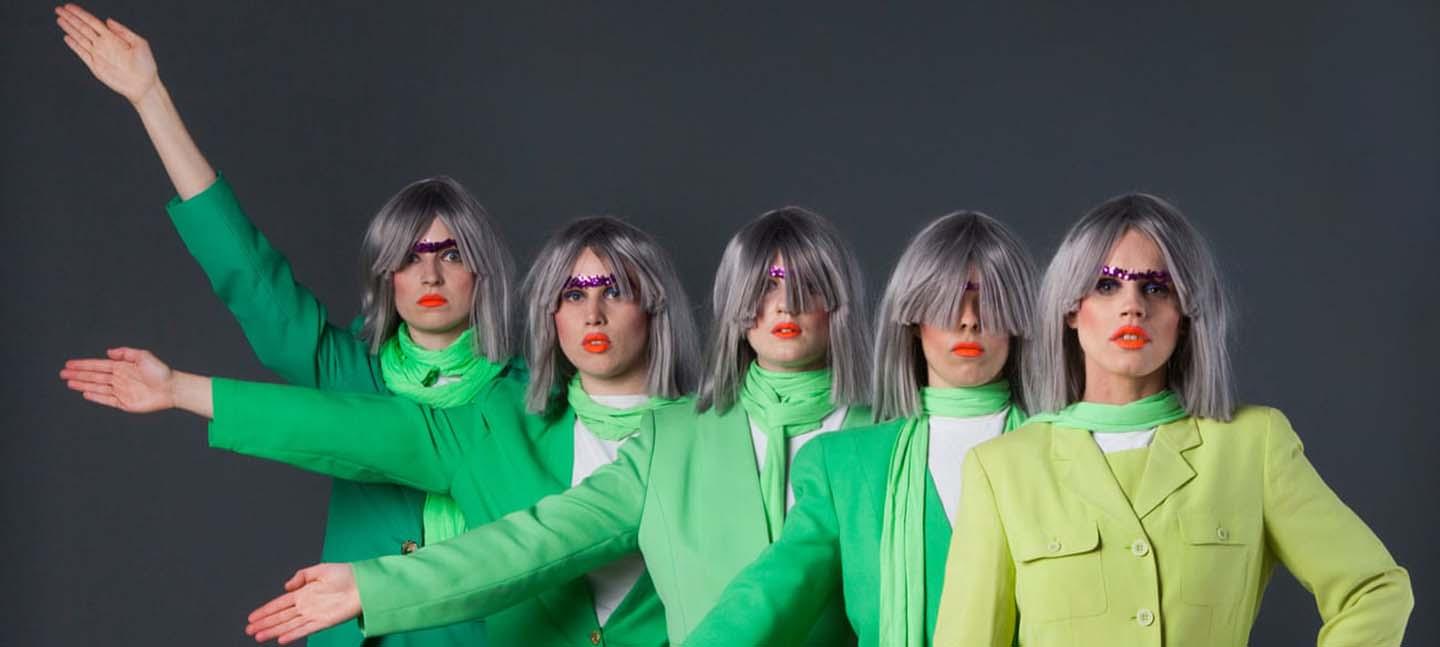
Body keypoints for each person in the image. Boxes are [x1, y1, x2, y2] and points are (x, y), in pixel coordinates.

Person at [54, 4, 515, 645]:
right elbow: (251, 277)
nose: (429, 277)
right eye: (409, 257)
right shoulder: (348, 370)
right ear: (386, 274)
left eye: (451, 254)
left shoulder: (533, 388)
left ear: (483, 271)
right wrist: (150, 98)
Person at [63, 217, 699, 646]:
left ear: (655, 305)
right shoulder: (495, 423)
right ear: (548, 315)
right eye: (570, 294)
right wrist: (180, 389)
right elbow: (352, 428)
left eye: (614, 290)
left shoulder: (717, 433)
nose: (591, 312)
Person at [931, 194, 1414, 646]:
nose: (1132, 306)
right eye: (1106, 285)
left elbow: (1375, 588)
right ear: (1072, 309)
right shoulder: (1004, 468)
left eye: (1156, 287)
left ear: (1184, 312)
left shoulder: (1251, 445)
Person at [685, 211, 1037, 646]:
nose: (968, 319)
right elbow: (771, 592)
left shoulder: (1068, 452)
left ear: (1020, 317)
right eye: (947, 300)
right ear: (912, 318)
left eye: (991, 300)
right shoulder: (845, 464)